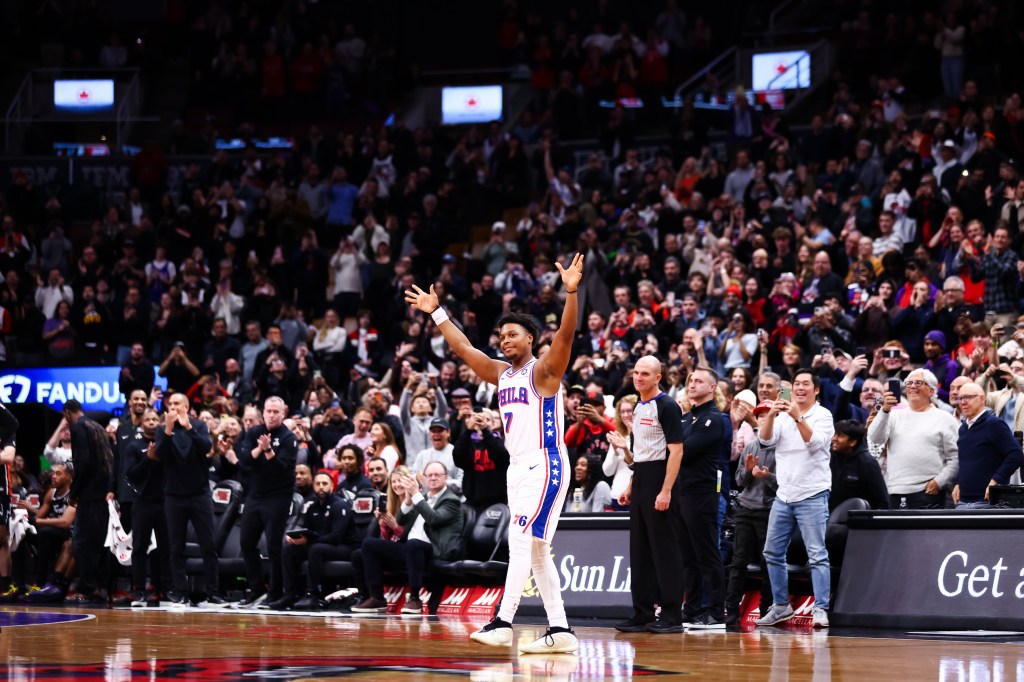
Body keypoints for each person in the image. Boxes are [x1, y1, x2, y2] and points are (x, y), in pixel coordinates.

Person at [404, 252, 584, 654]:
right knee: (538, 551)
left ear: (530, 340)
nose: (505, 340)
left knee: (520, 539)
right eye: (502, 336)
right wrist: (437, 314)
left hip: (546, 461)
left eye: (513, 335)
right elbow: (465, 348)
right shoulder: (502, 374)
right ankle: (561, 630)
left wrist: (571, 292)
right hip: (517, 467)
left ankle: (504, 620)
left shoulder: (545, 371)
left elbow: (567, 336)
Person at [755, 369, 835, 628]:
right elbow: (765, 440)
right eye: (796, 384)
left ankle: (821, 608)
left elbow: (814, 443)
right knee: (772, 552)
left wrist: (797, 416)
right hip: (784, 495)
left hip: (812, 493)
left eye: (805, 384)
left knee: (817, 555)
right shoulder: (781, 416)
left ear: (816, 390)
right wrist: (771, 414)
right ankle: (781, 606)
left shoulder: (823, 415)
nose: (799, 388)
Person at [613, 355, 686, 634]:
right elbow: (641, 452)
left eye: (645, 374)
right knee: (639, 550)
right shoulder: (638, 407)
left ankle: (671, 615)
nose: (639, 377)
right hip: (642, 475)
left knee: (665, 549)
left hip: (661, 477)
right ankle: (642, 613)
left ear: (658, 377)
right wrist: (632, 485)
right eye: (636, 373)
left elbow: (676, 451)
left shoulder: (666, 405)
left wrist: (666, 490)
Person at [352, 461, 463, 615]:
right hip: (411, 548)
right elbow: (402, 521)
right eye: (429, 475)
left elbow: (434, 519)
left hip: (433, 550)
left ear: (446, 478)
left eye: (437, 475)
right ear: (424, 478)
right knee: (369, 544)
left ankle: (415, 598)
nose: (433, 478)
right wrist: (409, 499)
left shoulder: (451, 500)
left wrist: (416, 495)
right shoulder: (422, 498)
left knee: (413, 544)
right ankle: (376, 598)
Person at [156, 392, 224, 606]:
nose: (173, 407)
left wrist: (188, 427)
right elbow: (161, 455)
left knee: (209, 545)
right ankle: (180, 592)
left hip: (200, 493)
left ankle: (212, 592)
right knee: (175, 547)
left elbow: (206, 448)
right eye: (171, 404)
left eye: (178, 404)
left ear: (186, 407)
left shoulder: (198, 426)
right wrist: (168, 429)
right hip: (174, 495)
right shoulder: (162, 430)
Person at [675, 367, 729, 629]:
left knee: (707, 554)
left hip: (703, 493)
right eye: (690, 380)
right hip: (682, 492)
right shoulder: (686, 419)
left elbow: (684, 451)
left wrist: (674, 447)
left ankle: (717, 613)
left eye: (699, 381)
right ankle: (692, 609)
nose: (692, 384)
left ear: (713, 387)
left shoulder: (714, 419)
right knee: (688, 556)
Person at [234, 396, 299, 607]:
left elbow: (280, 468)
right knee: (246, 542)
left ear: (283, 413)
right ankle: (256, 588)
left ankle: (276, 591)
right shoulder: (254, 432)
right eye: (268, 411)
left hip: (278, 496)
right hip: (255, 494)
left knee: (273, 545)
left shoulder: (289, 438)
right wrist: (261, 448)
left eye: (275, 412)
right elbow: (244, 460)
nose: (271, 415)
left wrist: (269, 449)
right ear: (263, 413)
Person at [866, 369, 959, 509]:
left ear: (931, 391)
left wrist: (939, 482)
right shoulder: (892, 416)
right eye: (909, 383)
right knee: (897, 531)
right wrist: (884, 411)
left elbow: (955, 458)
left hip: (928, 491)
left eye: (918, 382)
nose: (912, 386)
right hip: (895, 491)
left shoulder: (946, 418)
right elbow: (875, 439)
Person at [268, 470, 360, 611]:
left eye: (324, 484)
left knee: (315, 549)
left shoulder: (340, 505)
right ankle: (290, 594)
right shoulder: (312, 507)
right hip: (320, 545)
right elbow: (307, 531)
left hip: (345, 548)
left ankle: (313, 594)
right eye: (318, 484)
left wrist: (308, 542)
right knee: (288, 549)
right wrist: (295, 538)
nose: (321, 487)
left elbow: (336, 537)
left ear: (332, 486)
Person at [726, 400, 776, 626]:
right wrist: (747, 472)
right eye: (761, 415)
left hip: (769, 510)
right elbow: (739, 481)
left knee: (769, 562)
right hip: (746, 509)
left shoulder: (784, 448)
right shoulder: (750, 446)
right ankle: (731, 610)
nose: (765, 419)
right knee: (738, 562)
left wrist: (768, 477)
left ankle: (767, 609)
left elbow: (786, 485)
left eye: (769, 415)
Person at [64, 399, 114, 605]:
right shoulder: (98, 428)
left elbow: (82, 463)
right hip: (103, 494)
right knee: (99, 544)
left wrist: (73, 492)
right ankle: (100, 587)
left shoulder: (78, 427)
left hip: (89, 494)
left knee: (82, 545)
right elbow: (110, 460)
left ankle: (86, 589)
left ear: (67, 412)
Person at [124, 407, 170, 606]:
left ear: (159, 423)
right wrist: (148, 459)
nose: (151, 422)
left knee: (165, 548)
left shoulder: (165, 444)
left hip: (165, 502)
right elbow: (131, 474)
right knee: (140, 547)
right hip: (142, 502)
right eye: (148, 419)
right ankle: (139, 590)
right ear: (141, 423)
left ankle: (164, 589)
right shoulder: (133, 446)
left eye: (155, 419)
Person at [953, 383, 1024, 509]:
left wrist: (996, 481)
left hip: (986, 502)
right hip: (962, 501)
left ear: (981, 399)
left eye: (967, 397)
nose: (962, 402)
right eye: (960, 398)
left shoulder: (994, 424)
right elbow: (966, 461)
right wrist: (958, 483)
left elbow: (1016, 454)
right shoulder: (963, 428)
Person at [452, 409, 510, 512]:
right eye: (477, 419)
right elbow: (458, 459)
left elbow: (502, 458)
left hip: (498, 503)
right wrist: (468, 430)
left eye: (487, 419)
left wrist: (485, 431)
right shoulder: (467, 443)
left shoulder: (501, 442)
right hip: (472, 503)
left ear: (493, 424)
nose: (481, 422)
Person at [829, 420, 889, 510]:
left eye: (840, 436)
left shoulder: (867, 462)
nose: (834, 439)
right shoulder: (830, 456)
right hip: (831, 516)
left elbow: (882, 499)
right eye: (835, 434)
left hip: (860, 518)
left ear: (852, 442)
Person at [0, 401, 19, 601]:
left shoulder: (6, 429)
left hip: (0, 488)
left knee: (1, 538)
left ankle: (5, 586)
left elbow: (8, 457)